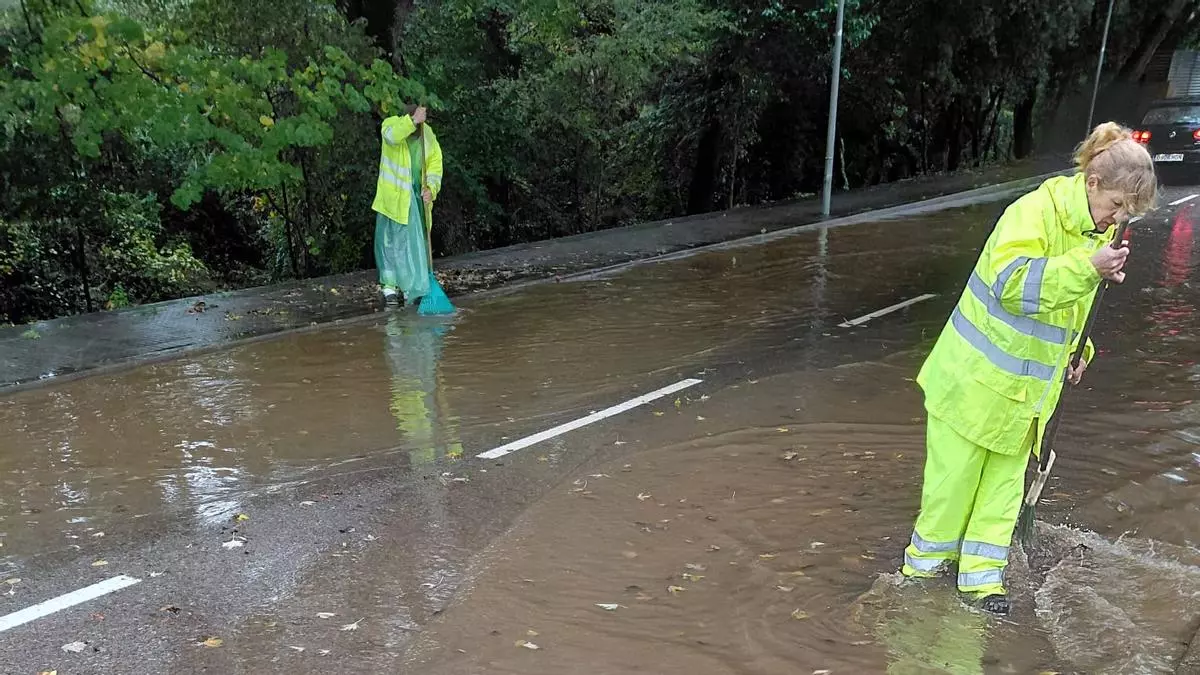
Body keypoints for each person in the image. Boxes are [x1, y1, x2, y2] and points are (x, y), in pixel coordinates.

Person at [900, 122, 1157, 615]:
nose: (1119, 218)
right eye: (1117, 205)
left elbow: (1068, 314)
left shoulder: (1096, 233)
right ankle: (919, 579)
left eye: (1129, 213)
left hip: (1025, 398)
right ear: (1092, 183)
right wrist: (1088, 268)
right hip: (973, 387)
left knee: (1000, 495)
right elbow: (1013, 286)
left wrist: (1080, 353)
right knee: (950, 491)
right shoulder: (1033, 213)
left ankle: (981, 584)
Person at [372, 104, 444, 306]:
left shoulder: (427, 135)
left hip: (417, 201)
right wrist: (412, 122)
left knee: (413, 246)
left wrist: (431, 189)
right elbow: (392, 136)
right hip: (392, 201)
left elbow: (435, 165)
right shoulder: (391, 125)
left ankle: (410, 287)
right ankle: (389, 287)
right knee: (390, 244)